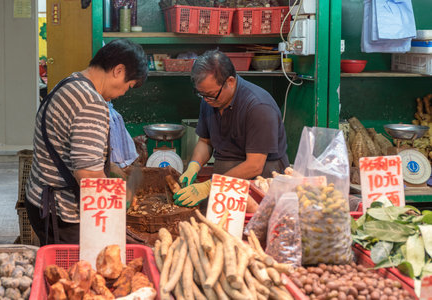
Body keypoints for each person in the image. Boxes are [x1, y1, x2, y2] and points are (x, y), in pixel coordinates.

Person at [25, 39, 148, 245]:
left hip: (40, 200)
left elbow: (71, 149)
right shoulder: (91, 103)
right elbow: (88, 175)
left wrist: (113, 169)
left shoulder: (69, 83)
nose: (124, 93)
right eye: (129, 86)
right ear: (118, 70)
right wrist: (119, 198)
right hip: (64, 214)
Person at [173, 50, 289, 208]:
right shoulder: (210, 100)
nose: (207, 100)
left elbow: (254, 165)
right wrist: (194, 166)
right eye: (201, 94)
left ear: (231, 81)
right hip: (223, 177)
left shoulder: (259, 106)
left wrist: (210, 186)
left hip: (259, 179)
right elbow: (205, 141)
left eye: (211, 94)